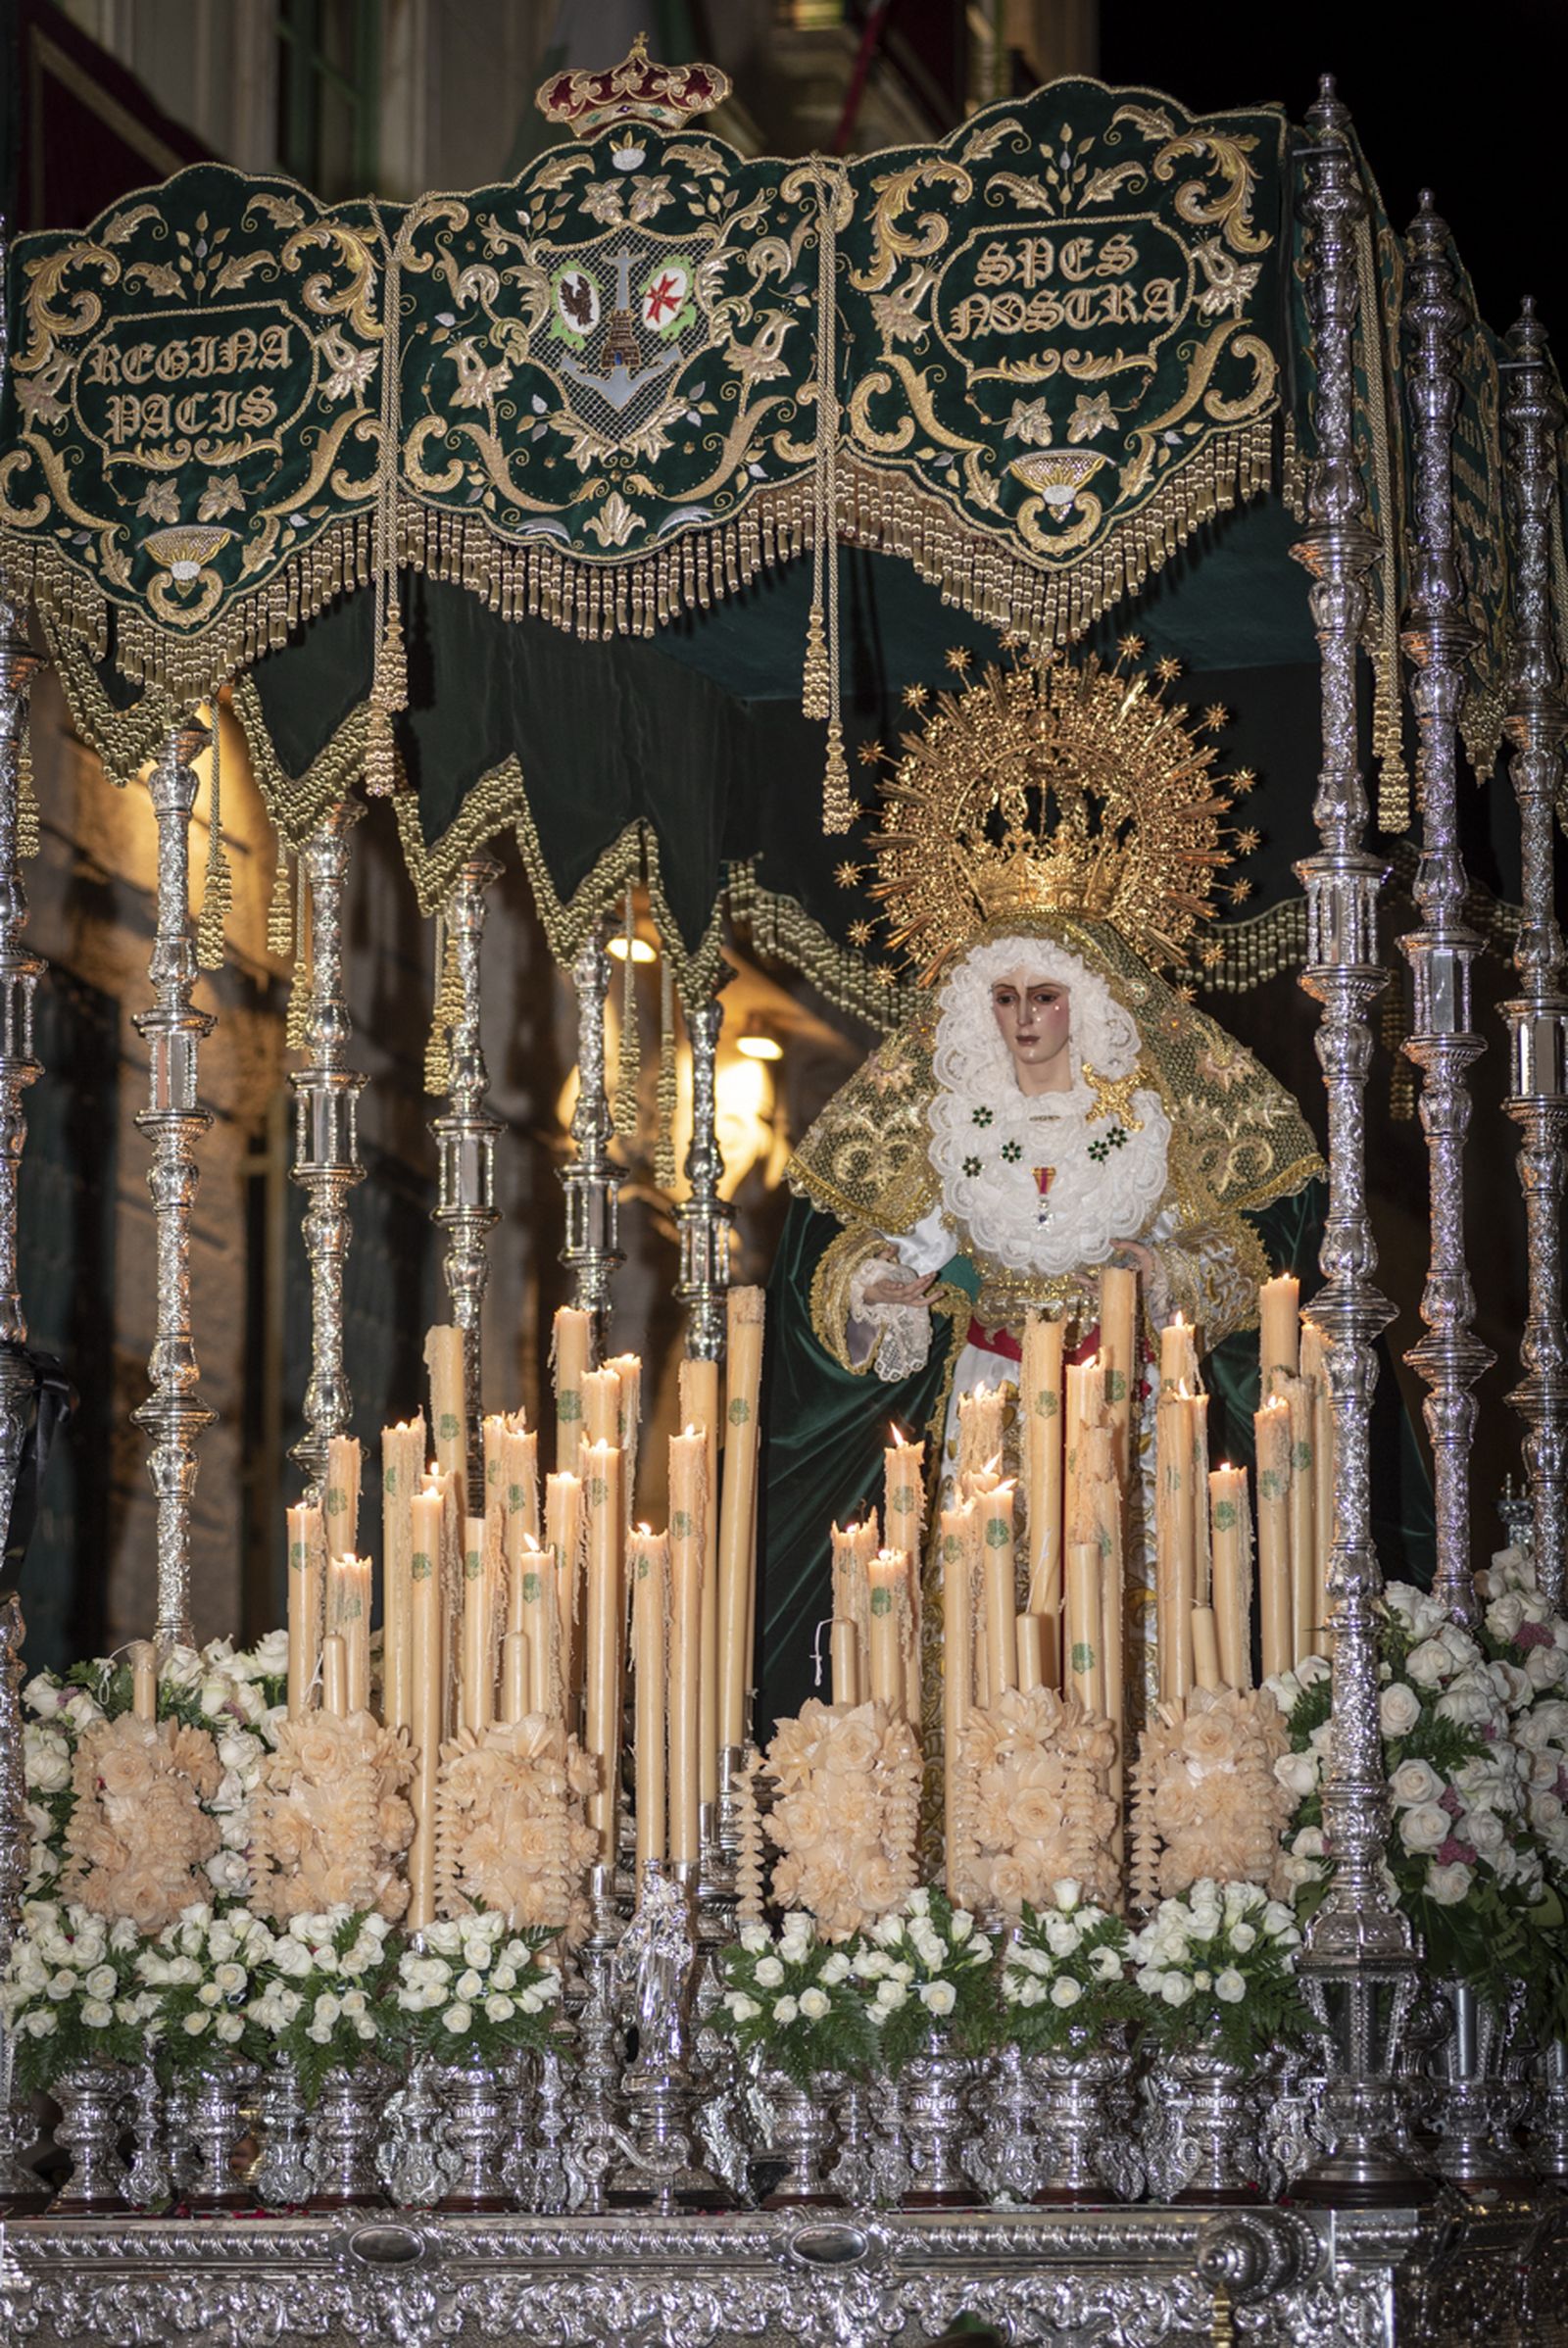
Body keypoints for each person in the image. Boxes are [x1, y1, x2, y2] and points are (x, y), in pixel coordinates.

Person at [756, 644, 1432, 1733]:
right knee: (980, 1630)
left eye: (1047, 997)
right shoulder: (946, 1120)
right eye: (1008, 997)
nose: (1025, 1019)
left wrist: (1163, 1269)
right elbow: (863, 1247)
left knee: (1135, 1624)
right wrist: (876, 1284)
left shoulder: (1153, 1122)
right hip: (985, 1401)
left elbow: (1249, 1258)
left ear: (1091, 1003)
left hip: (1127, 1405)